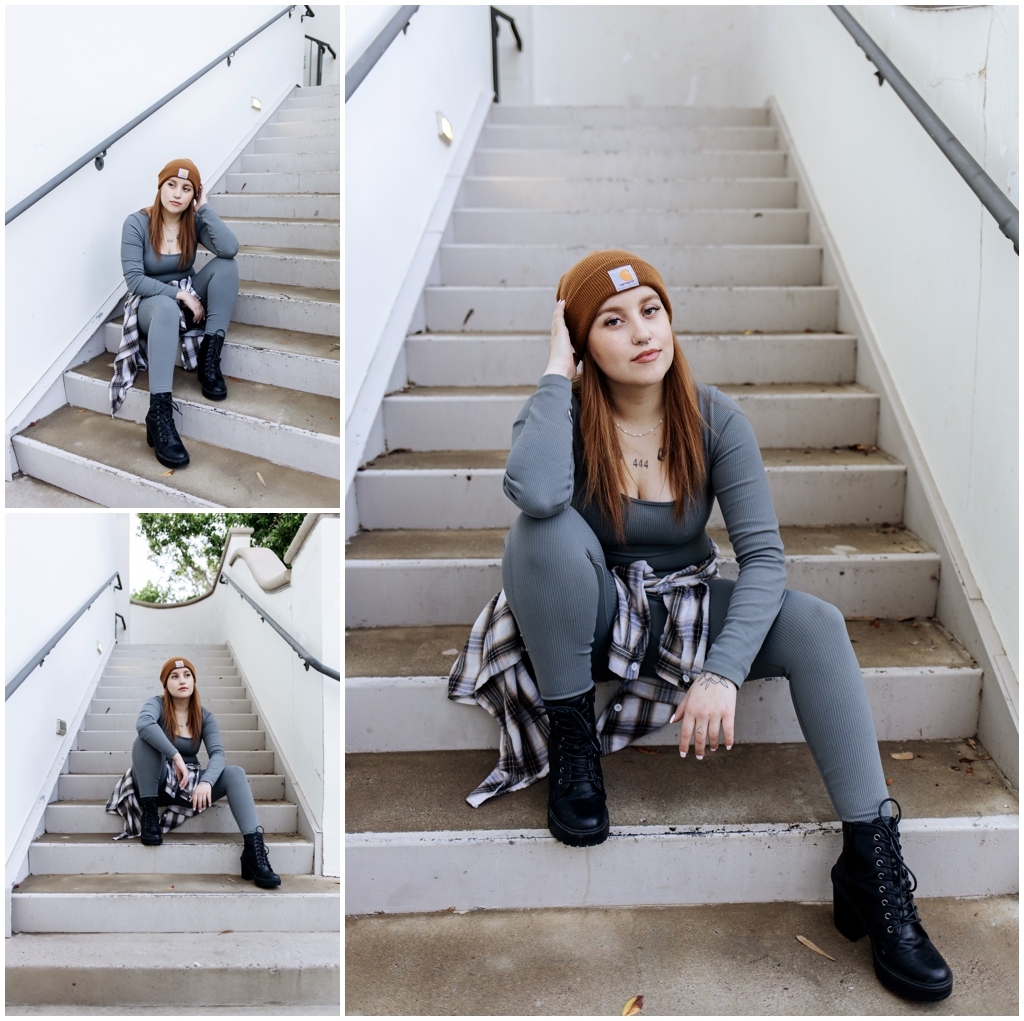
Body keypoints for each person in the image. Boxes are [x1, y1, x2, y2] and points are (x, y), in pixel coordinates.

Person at [496, 249, 953, 1002]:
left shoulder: (713, 416)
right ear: (582, 344)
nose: (642, 331)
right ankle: (574, 740)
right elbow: (537, 490)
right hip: (594, 606)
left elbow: (766, 558)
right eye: (612, 321)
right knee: (537, 532)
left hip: (685, 607)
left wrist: (721, 671)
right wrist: (555, 373)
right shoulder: (562, 413)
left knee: (816, 622)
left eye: (651, 310)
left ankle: (873, 865)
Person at [115, 158, 239, 468]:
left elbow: (229, 248)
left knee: (227, 267)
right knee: (169, 307)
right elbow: (134, 280)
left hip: (186, 292)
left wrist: (205, 208)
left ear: (193, 196)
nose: (177, 194)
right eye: (171, 185)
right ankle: (159, 414)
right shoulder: (137, 223)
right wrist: (178, 293)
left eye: (186, 189)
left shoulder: (193, 222)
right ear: (160, 187)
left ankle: (209, 359)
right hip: (149, 301)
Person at [130, 656, 280, 889]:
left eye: (187, 675)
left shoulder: (204, 715)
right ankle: (150, 816)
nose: (182, 681)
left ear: (194, 681)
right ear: (165, 684)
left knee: (235, 773)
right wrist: (176, 756)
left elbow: (218, 754)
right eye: (175, 676)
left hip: (187, 785)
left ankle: (254, 853)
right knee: (143, 741)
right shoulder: (156, 704)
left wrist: (207, 782)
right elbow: (144, 724)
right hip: (154, 781)